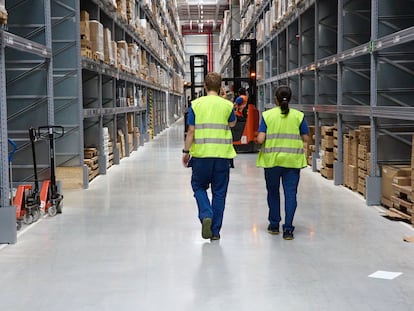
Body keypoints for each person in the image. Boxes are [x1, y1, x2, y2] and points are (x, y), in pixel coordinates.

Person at [182, 72, 237, 241]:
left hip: (201, 156)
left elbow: (191, 130)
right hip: (222, 156)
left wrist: (186, 152)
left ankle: (206, 214)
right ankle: (215, 231)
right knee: (219, 193)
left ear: (204, 86)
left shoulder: (196, 104)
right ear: (220, 87)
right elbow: (232, 123)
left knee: (198, 186)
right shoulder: (227, 105)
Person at [256, 85, 310, 240]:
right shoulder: (298, 116)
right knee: (290, 194)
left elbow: (260, 139)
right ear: (290, 98)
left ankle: (274, 225)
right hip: (292, 162)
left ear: (275, 99)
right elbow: (307, 138)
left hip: (272, 161)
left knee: (273, 193)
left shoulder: (267, 116)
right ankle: (288, 229)